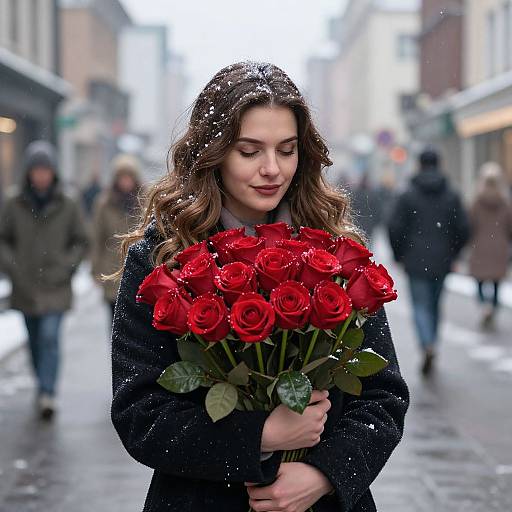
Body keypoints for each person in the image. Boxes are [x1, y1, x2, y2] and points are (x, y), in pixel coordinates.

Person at [111, 61, 409, 512]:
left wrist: (324, 473)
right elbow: (141, 415)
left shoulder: (334, 251)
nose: (272, 169)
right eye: (250, 151)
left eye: (286, 149)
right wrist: (259, 435)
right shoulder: (163, 258)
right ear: (213, 154)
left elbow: (384, 398)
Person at [0, 140, 88, 419]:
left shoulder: (68, 204)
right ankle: (42, 384)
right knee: (35, 339)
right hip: (25, 286)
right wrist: (13, 266)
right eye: (36, 170)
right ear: (28, 172)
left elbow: (81, 241)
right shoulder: (14, 203)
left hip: (56, 286)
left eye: (45, 169)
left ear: (53, 172)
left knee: (50, 337)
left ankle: (48, 392)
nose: (41, 175)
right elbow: (3, 239)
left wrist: (66, 266)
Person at [388, 148, 469, 376]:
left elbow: (395, 227)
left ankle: (427, 344)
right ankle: (432, 341)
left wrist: (399, 255)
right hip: (442, 259)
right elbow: (463, 228)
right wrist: (454, 254)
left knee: (420, 306)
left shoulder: (408, 194)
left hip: (415, 260)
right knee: (434, 305)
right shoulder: (451, 194)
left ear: (419, 164)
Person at [91, 154, 143, 320]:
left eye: (129, 177)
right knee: (116, 322)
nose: (125, 181)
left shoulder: (145, 201)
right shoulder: (104, 204)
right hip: (112, 270)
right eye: (122, 177)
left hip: (139, 271)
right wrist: (95, 270)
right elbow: (97, 238)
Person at [468, 162, 512, 329]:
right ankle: (492, 306)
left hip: (480, 247)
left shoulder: (477, 202)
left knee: (479, 280)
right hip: (499, 248)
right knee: (496, 283)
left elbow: (469, 224)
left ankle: (484, 305)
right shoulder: (505, 203)